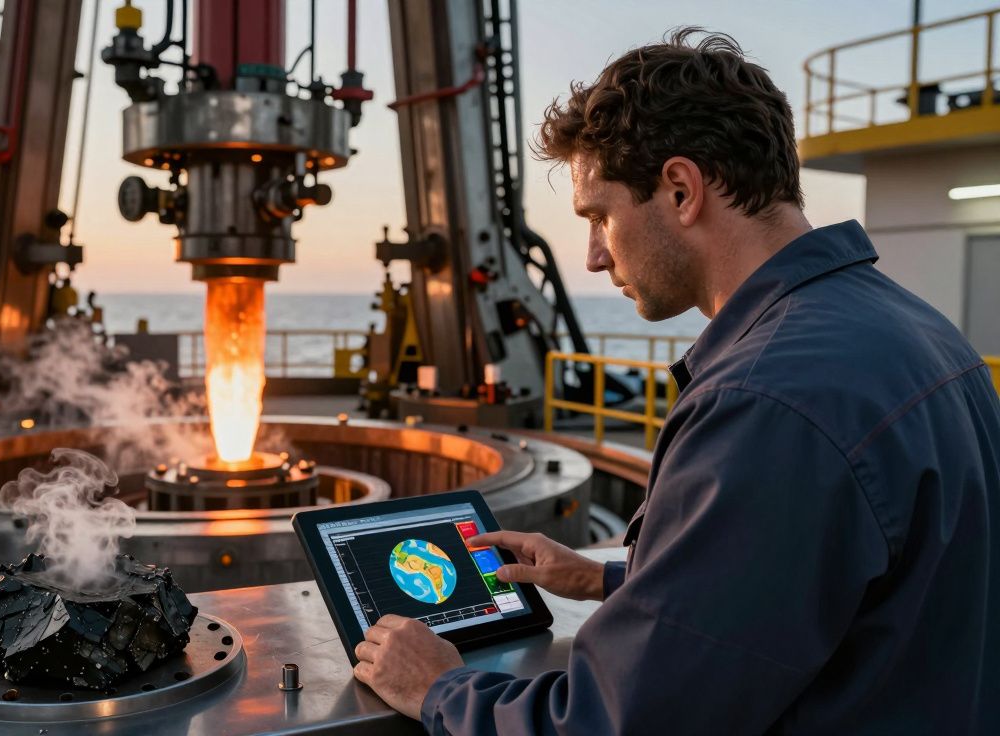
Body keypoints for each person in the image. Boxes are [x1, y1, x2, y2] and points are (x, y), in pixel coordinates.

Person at [351, 28, 1000, 734]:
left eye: (599, 216)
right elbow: (831, 582)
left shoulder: (763, 402)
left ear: (682, 191)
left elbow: (620, 722)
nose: (594, 257)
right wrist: (610, 579)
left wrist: (440, 688)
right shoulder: (924, 332)